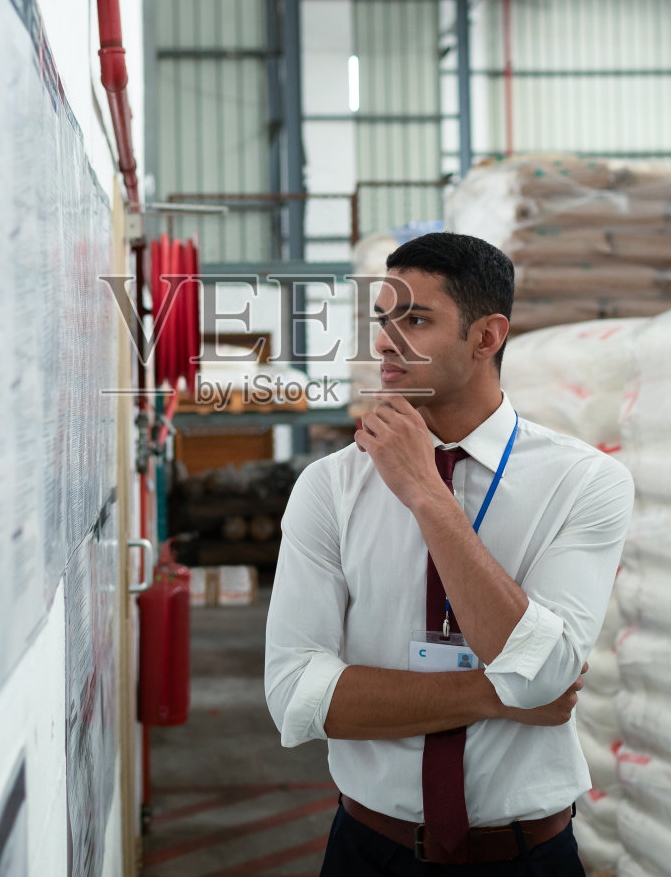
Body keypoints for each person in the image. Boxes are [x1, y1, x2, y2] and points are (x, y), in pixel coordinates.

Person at [264, 232, 633, 875]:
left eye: (416, 319)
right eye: (383, 320)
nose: (384, 341)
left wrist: (426, 496)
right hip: (369, 851)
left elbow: (544, 676)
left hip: (525, 856)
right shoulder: (330, 486)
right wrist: (497, 693)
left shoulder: (584, 482)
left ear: (486, 336)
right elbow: (297, 695)